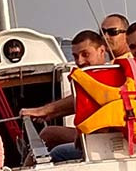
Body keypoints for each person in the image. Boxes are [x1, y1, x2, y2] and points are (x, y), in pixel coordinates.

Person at [19, 30, 108, 162]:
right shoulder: (91, 78)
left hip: (102, 142)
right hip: (93, 138)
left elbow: (81, 100)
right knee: (48, 133)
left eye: (85, 54)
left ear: (101, 51)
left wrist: (43, 111)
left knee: (57, 152)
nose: (80, 61)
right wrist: (49, 114)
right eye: (76, 56)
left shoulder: (106, 76)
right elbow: (78, 101)